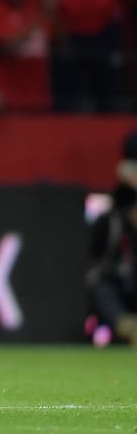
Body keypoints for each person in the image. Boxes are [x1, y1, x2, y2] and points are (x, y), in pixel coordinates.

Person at [87, 130, 137, 346]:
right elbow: (97, 250)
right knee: (100, 284)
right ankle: (126, 325)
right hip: (122, 280)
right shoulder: (115, 212)